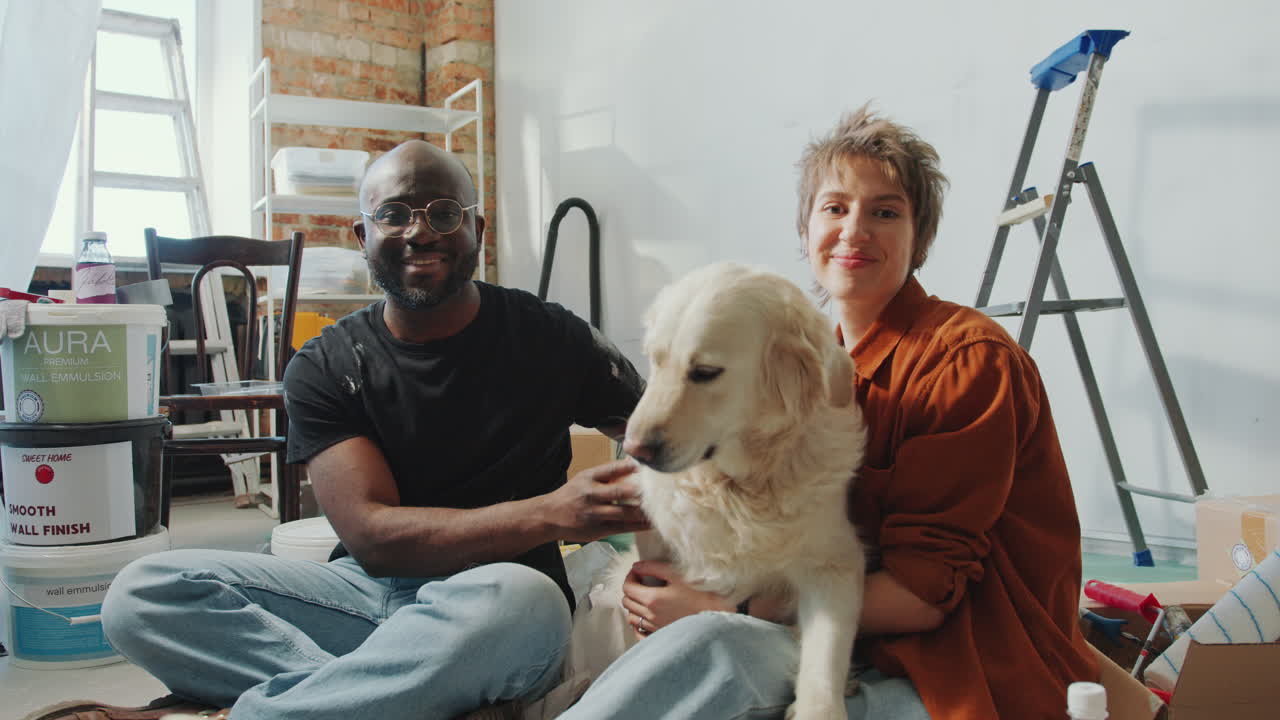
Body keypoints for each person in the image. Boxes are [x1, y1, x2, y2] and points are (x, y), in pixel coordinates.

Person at [557, 106, 1099, 719]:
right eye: (835, 207)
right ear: (807, 228)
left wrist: (726, 608)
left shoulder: (966, 361)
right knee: (611, 600)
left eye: (885, 211)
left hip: (962, 667)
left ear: (919, 237)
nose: (854, 230)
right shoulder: (817, 360)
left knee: (713, 648)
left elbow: (924, 597)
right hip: (849, 640)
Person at [83, 139, 649, 720]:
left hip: (492, 608)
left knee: (525, 602)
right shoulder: (327, 364)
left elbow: (667, 435)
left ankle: (311, 703)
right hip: (364, 595)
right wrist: (555, 513)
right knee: (139, 595)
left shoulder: (551, 338)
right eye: (394, 214)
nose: (419, 232)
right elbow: (373, 538)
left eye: (444, 213)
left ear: (477, 229)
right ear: (363, 237)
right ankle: (404, 693)